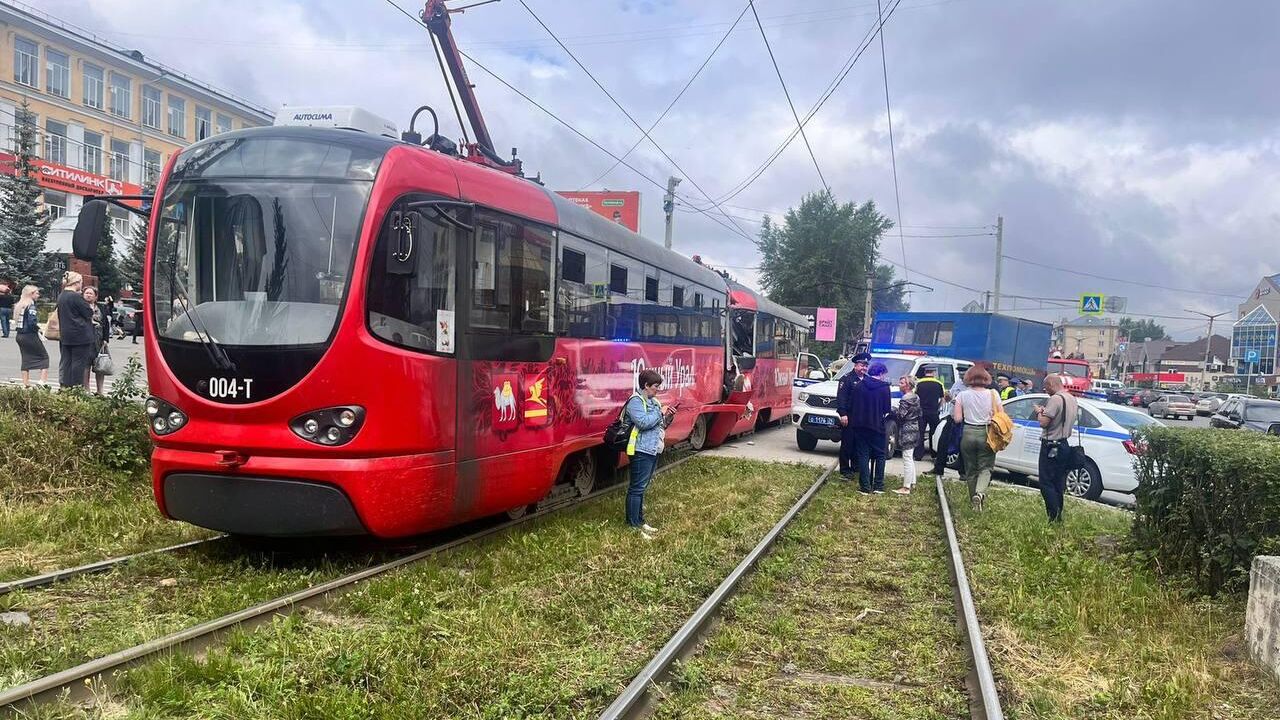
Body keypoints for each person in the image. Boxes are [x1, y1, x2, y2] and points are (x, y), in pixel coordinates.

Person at [624, 369, 676, 539]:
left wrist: (667, 417)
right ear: (646, 385)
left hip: (652, 448)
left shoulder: (653, 402)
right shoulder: (635, 402)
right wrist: (660, 412)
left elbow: (659, 425)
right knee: (636, 488)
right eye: (655, 386)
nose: (657, 389)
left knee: (642, 488)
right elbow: (643, 422)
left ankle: (639, 521)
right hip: (640, 449)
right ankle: (632, 525)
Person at [1033, 375, 1079, 522]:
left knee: (1046, 482)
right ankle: (1058, 514)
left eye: (1046, 386)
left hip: (1051, 445)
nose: (1045, 390)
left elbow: (1044, 423)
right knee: (1058, 482)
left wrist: (1040, 412)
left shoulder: (1055, 399)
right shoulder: (1071, 399)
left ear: (1052, 384)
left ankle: (1053, 517)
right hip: (1064, 444)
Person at [952, 365, 998, 511]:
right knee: (986, 468)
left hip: (968, 433)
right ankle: (980, 493)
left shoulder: (962, 395)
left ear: (968, 378)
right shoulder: (993, 394)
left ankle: (974, 502)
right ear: (986, 378)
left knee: (970, 470)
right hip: (986, 433)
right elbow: (1000, 415)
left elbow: (957, 419)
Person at [849, 361, 892, 495]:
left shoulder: (859, 386)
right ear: (881, 373)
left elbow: (852, 405)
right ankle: (878, 485)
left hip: (860, 425)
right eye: (884, 374)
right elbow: (886, 409)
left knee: (863, 455)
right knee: (880, 455)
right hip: (877, 426)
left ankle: (865, 487)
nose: (885, 377)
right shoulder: (884, 388)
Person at [56, 271, 96, 389]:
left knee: (66, 362)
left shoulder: (61, 295)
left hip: (66, 334)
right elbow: (88, 313)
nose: (81, 285)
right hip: (80, 335)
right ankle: (76, 389)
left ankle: (65, 386)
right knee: (78, 364)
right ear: (76, 282)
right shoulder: (76, 297)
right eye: (81, 283)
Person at [835, 352, 871, 479]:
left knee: (859, 443)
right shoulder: (847, 379)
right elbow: (841, 398)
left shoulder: (867, 379)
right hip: (849, 416)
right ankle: (845, 469)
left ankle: (856, 467)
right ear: (855, 365)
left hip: (862, 418)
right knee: (847, 444)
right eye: (862, 365)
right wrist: (843, 414)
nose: (864, 368)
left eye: (866, 366)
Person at [13, 285, 49, 387]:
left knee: (25, 358)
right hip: (30, 335)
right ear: (31, 294)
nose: (39, 295)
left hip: (20, 335)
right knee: (44, 357)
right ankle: (42, 382)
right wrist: (38, 330)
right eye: (37, 293)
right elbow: (32, 322)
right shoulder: (31, 306)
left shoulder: (19, 305)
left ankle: (25, 383)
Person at [893, 375, 922, 495]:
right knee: (910, 457)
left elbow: (901, 416)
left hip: (907, 429)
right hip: (915, 427)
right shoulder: (916, 397)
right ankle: (913, 482)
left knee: (907, 458)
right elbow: (919, 413)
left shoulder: (905, 399)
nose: (899, 384)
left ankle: (906, 487)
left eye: (902, 383)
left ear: (908, 385)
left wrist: (894, 410)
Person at [82, 286, 111, 394]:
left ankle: (100, 390)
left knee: (100, 365)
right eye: (86, 293)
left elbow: (106, 325)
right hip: (85, 339)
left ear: (95, 296)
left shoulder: (101, 308)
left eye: (91, 293)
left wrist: (106, 339)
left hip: (98, 339)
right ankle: (86, 389)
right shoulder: (81, 306)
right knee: (86, 365)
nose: (88, 295)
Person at [914, 366, 945, 460]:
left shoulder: (918, 383)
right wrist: (937, 407)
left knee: (920, 433)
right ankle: (934, 454)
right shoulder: (939, 383)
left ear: (925, 372)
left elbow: (915, 397)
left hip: (921, 412)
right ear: (934, 372)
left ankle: (918, 455)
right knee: (934, 432)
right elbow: (942, 399)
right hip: (933, 412)